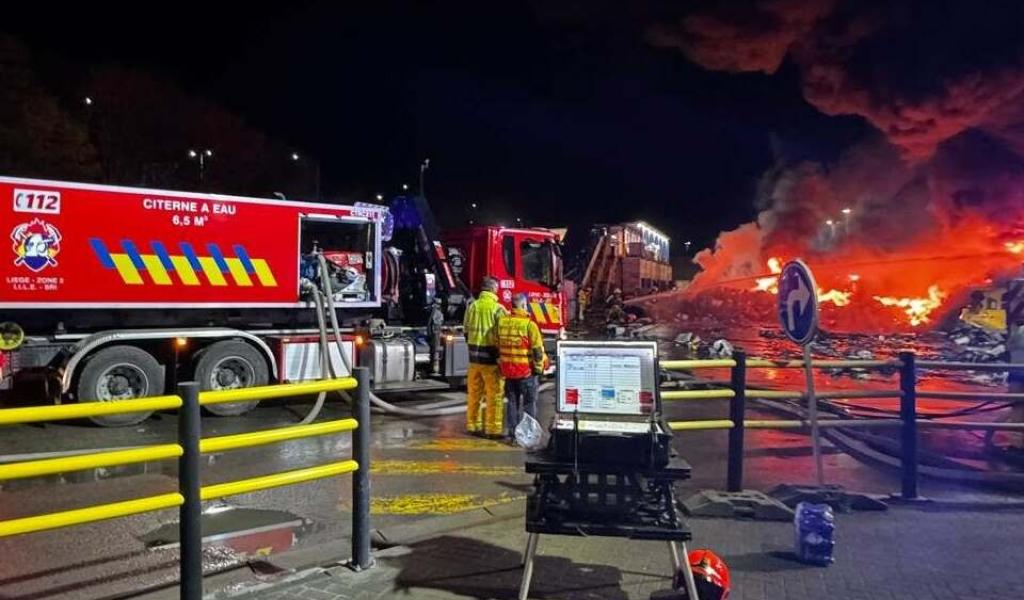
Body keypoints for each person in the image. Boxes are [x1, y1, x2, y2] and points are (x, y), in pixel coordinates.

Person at [497, 293, 547, 440]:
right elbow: (537, 351)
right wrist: (538, 369)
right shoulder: (529, 325)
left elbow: (497, 344)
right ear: (524, 306)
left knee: (512, 402)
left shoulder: (501, 323)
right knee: (529, 404)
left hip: (508, 372)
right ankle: (527, 434)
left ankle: (512, 433)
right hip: (526, 372)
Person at [463, 276, 508, 437]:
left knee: (474, 394)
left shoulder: (472, 306)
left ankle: (473, 425)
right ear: (494, 289)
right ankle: (493, 429)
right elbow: (503, 336)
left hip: (474, 359)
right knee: (494, 395)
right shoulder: (498, 309)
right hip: (491, 359)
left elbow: (466, 331)